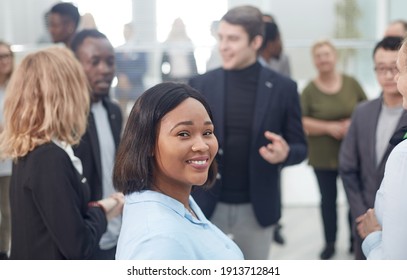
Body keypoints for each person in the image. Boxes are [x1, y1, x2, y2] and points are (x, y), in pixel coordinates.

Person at [188, 5, 307, 260]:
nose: (223, 46)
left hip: (257, 210)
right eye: (221, 38)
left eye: (233, 39)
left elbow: (300, 148)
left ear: (256, 42)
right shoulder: (200, 85)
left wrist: (285, 153)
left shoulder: (283, 87)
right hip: (207, 204)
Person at [0, 47, 124, 259]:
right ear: (66, 94)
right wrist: (103, 210)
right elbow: (78, 246)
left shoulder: (30, 150)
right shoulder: (49, 158)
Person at [113, 82, 244, 260]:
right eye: (183, 134)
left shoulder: (181, 202)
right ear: (148, 143)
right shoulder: (159, 242)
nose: (202, 145)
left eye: (207, 132)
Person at [339, 36, 406, 260]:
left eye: (394, 68)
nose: (389, 76)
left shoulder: (402, 153)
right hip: (365, 224)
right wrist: (363, 216)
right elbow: (348, 167)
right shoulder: (362, 112)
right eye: (381, 68)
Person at [301, 39, 367, 259]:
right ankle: (329, 243)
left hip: (352, 154)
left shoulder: (351, 83)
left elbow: (366, 110)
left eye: (326, 54)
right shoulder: (309, 90)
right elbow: (301, 121)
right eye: (318, 55)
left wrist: (351, 123)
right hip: (322, 157)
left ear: (334, 57)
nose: (323, 59)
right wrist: (329, 127)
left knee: (353, 199)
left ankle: (354, 240)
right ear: (314, 61)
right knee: (327, 201)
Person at [70, 29, 123, 260]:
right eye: (95, 62)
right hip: (84, 237)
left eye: (110, 62)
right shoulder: (66, 118)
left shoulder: (113, 111)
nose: (105, 69)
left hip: (117, 232)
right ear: (75, 65)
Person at [115, 22, 148, 116]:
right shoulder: (119, 49)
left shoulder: (141, 48)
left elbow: (143, 68)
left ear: (133, 32)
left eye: (128, 31)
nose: (126, 33)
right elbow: (115, 66)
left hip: (136, 85)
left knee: (139, 114)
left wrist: (128, 78)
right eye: (124, 31)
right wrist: (121, 78)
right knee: (120, 113)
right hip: (121, 86)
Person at [0, 41, 13, 259]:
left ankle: (7, 254)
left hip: (10, 160)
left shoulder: (16, 89)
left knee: (9, 212)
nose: (4, 61)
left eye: (7, 56)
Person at [161, 18, 198, 83]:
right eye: (177, 25)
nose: (179, 27)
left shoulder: (188, 41)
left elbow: (193, 62)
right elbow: (163, 63)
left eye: (180, 25)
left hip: (187, 76)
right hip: (173, 77)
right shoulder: (168, 43)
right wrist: (164, 79)